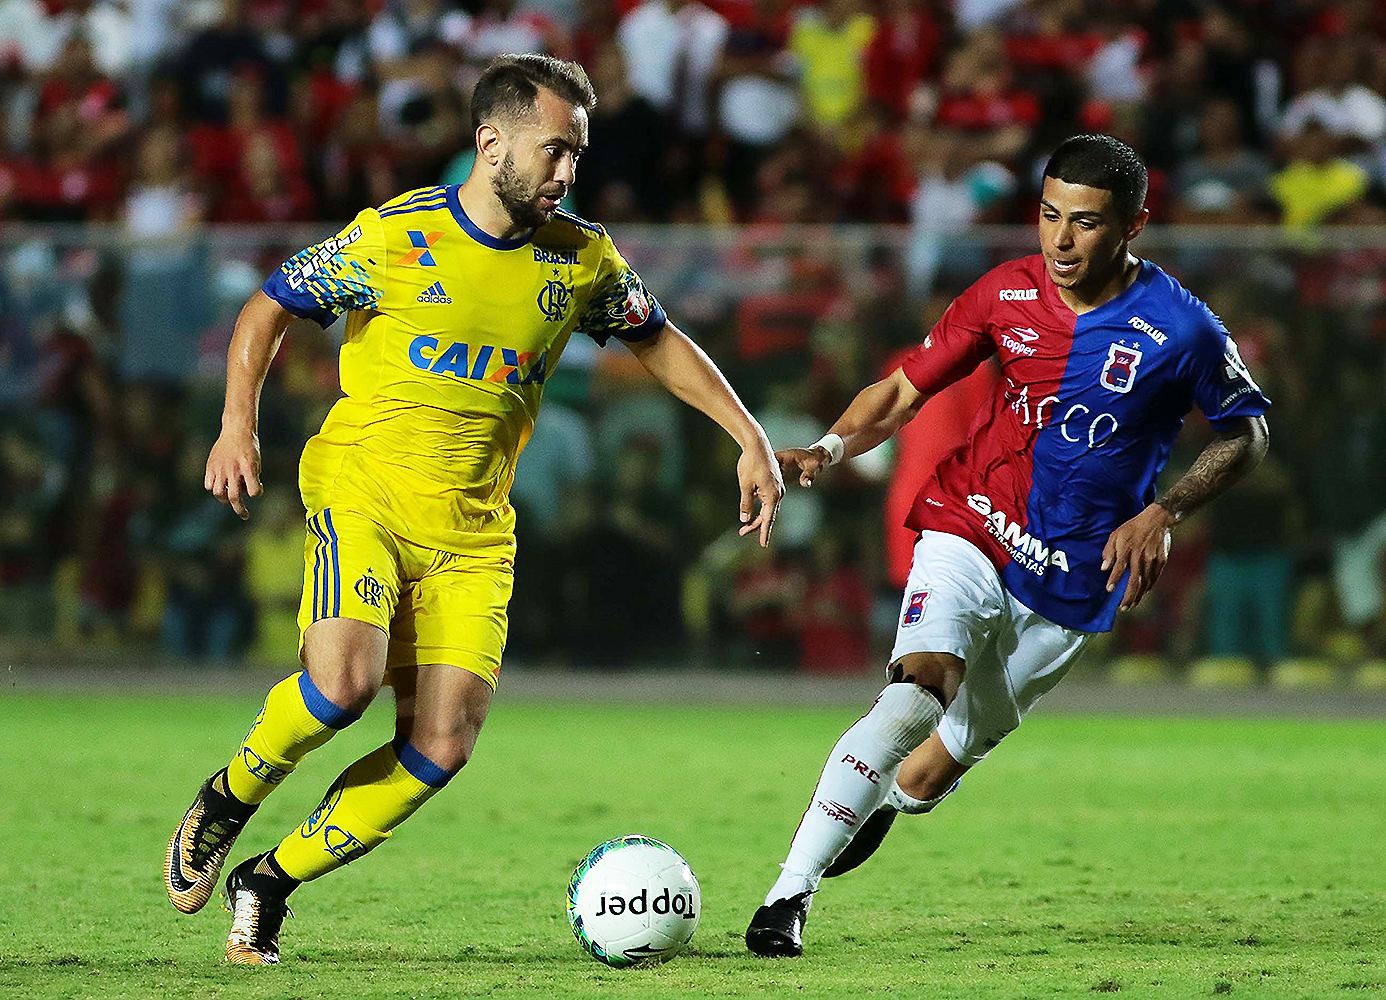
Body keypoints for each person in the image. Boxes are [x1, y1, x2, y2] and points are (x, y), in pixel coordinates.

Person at [164, 53, 784, 964]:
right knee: (342, 687)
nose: (568, 173)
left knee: (441, 746)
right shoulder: (394, 236)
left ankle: (270, 881)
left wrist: (750, 437)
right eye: (553, 151)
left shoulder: (580, 258)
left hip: (475, 532)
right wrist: (236, 426)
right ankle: (229, 795)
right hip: (363, 490)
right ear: (490, 143)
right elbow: (267, 308)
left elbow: (659, 341)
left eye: (577, 154)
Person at [745, 134, 1271, 958]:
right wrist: (829, 448)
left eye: (1086, 224)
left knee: (924, 775)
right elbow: (898, 392)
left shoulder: (1184, 329)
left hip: (1074, 578)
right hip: (974, 523)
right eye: (1049, 215)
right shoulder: (1005, 293)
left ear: (1134, 225)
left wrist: (1162, 513)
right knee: (913, 694)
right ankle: (785, 900)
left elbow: (1247, 436)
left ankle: (883, 799)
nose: (1060, 241)